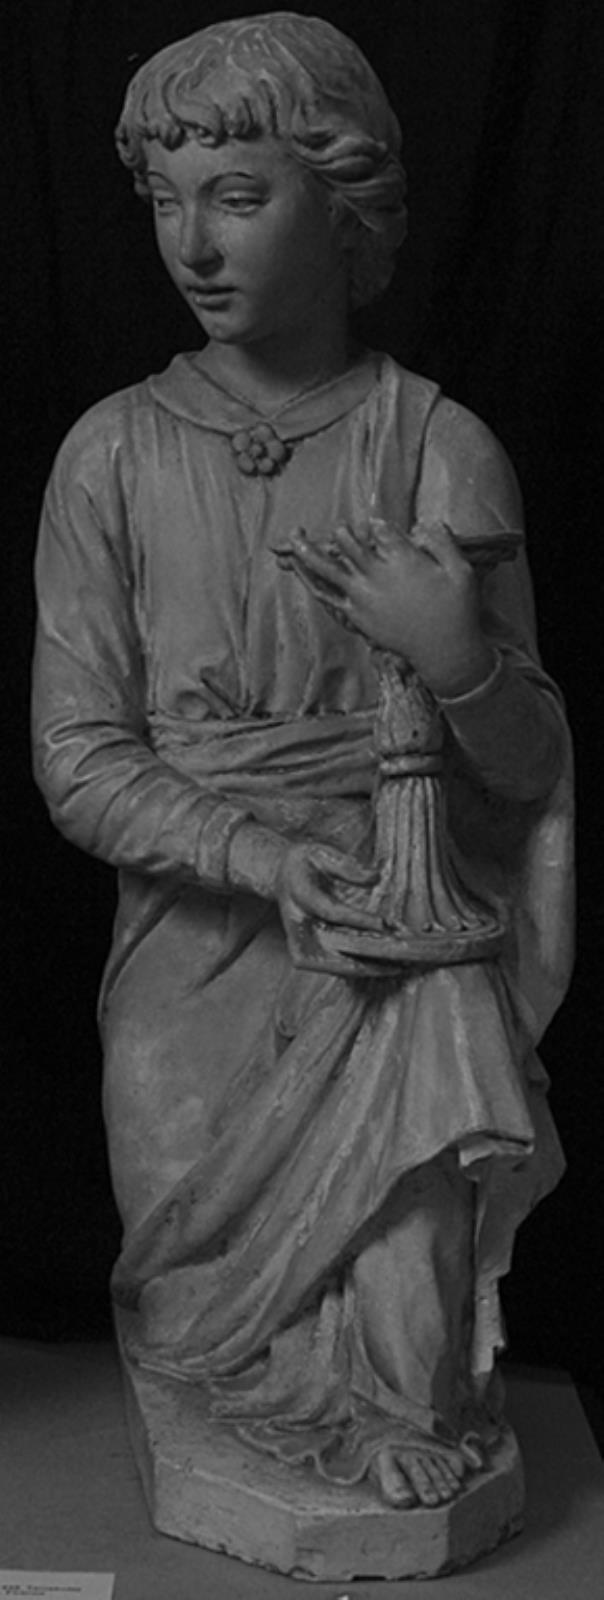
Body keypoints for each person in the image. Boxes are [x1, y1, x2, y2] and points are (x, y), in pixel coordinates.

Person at [32, 13, 573, 1513]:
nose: (192, 243)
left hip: (399, 919)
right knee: (196, 1310)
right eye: (165, 201)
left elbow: (528, 770)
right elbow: (77, 754)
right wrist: (267, 859)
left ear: (344, 204)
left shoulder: (435, 445)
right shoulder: (113, 454)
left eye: (237, 196)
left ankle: (405, 1399)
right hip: (200, 944)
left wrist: (457, 659)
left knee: (428, 1052)